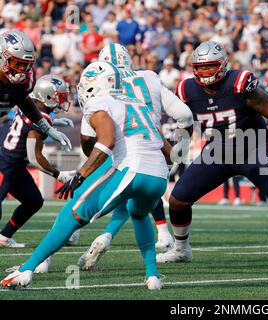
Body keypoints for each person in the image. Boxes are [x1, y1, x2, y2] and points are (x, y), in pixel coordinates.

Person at [157, 41, 268, 267]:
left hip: (252, 148)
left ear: (223, 65)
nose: (205, 72)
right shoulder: (187, 90)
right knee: (178, 199)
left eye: (210, 66)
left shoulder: (239, 84)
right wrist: (181, 148)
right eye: (200, 67)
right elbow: (186, 121)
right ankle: (181, 249)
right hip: (216, 151)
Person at [1, 61, 179, 290]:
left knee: (73, 214)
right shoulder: (139, 104)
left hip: (130, 169)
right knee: (139, 213)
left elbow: (106, 142)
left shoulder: (100, 102)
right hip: (158, 176)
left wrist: (80, 175)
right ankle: (152, 276)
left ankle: (27, 269)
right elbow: (169, 155)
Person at [75, 43, 193, 271]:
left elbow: (87, 140)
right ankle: (153, 239)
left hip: (114, 148)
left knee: (86, 202)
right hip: (150, 144)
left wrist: (98, 158)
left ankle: (40, 260)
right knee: (140, 195)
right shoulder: (147, 78)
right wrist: (181, 150)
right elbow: (184, 115)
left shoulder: (100, 83)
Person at [0, 75, 75, 248]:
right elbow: (34, 156)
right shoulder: (39, 116)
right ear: (47, 96)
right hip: (5, 167)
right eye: (59, 97)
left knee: (34, 201)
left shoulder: (29, 107)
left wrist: (53, 122)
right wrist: (59, 175)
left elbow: (31, 120)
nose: (61, 101)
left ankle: (4, 237)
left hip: (14, 166)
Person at [0, 30, 71, 151]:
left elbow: (23, 100)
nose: (21, 70)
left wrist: (46, 127)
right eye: (17, 63)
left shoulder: (27, 79)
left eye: (25, 64)